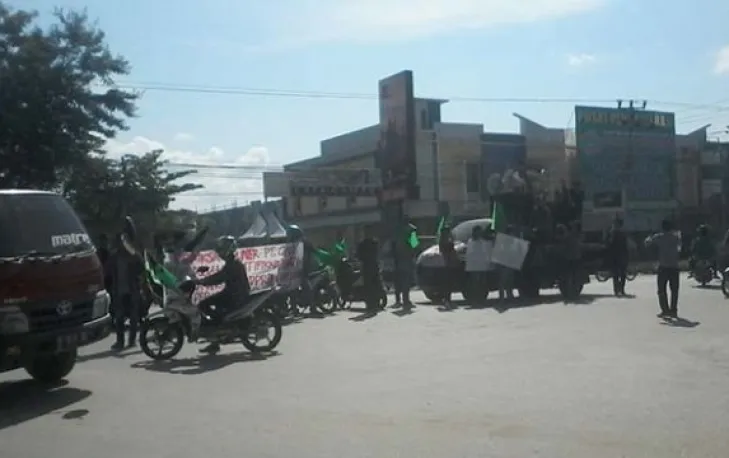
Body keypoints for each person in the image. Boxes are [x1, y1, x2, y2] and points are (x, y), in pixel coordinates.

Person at [196, 236, 250, 354]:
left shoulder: (234, 265)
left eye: (221, 249)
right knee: (205, 303)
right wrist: (204, 280)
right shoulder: (231, 263)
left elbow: (220, 277)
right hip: (231, 293)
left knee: (204, 304)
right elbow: (220, 275)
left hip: (235, 296)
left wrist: (203, 281)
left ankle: (218, 333)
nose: (219, 252)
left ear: (228, 250)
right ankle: (215, 338)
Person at [108, 233, 144, 351]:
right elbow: (108, 272)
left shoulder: (133, 255)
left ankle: (132, 340)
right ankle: (120, 341)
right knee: (119, 317)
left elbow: (141, 265)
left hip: (132, 290)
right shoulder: (114, 256)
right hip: (119, 290)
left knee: (133, 317)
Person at [645, 219, 681, 319]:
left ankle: (665, 310)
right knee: (674, 290)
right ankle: (673, 310)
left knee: (661, 290)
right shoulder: (676, 237)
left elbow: (647, 243)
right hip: (674, 266)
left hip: (663, 267)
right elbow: (680, 248)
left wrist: (649, 237)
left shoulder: (659, 237)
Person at [465, 225, 493, 305]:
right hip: (474, 266)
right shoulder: (471, 241)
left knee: (482, 282)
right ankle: (475, 298)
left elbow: (485, 251)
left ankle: (481, 298)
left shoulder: (483, 241)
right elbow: (470, 254)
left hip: (482, 266)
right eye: (478, 231)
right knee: (475, 283)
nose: (480, 233)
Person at [356, 226, 381, 312]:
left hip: (367, 267)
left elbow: (359, 256)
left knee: (368, 286)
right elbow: (414, 244)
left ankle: (370, 304)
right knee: (376, 285)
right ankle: (376, 303)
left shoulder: (362, 244)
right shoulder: (375, 242)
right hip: (374, 266)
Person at [605, 217, 629, 296]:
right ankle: (620, 290)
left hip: (616, 256)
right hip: (620, 256)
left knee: (617, 275)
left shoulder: (614, 233)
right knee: (621, 274)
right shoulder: (621, 234)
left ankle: (618, 290)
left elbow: (608, 244)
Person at [438, 226, 457, 307]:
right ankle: (446, 299)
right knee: (447, 283)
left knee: (448, 283)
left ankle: (447, 299)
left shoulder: (442, 241)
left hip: (446, 263)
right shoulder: (445, 241)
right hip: (446, 264)